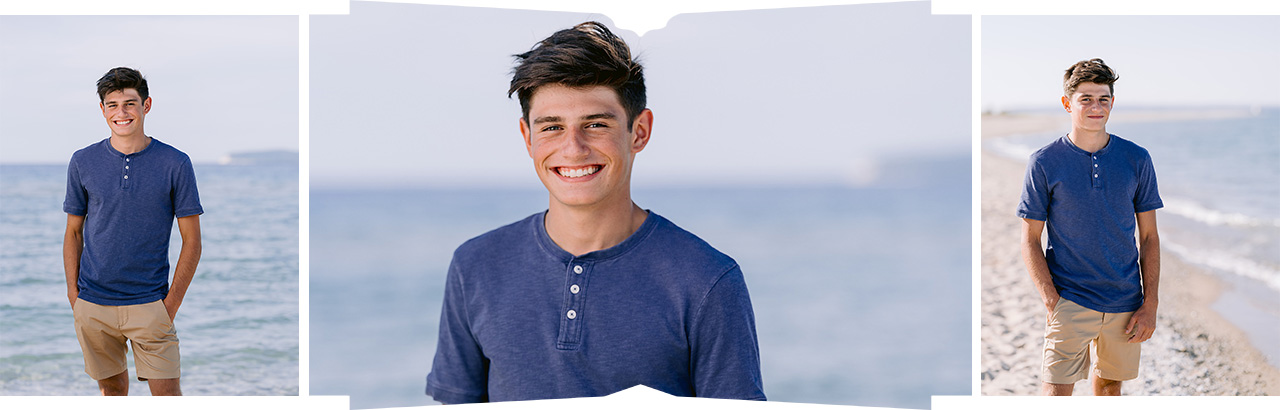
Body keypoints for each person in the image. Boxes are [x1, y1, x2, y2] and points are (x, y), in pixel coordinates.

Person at [424, 22, 765, 403]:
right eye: (552, 127)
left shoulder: (707, 280)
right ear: (527, 137)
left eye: (596, 124)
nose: (573, 149)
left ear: (639, 131)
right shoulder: (476, 265)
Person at [1017, 58, 1162, 396]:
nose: (1096, 107)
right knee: (1055, 392)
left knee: (1110, 389)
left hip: (1125, 300)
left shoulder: (1137, 159)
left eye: (1103, 99)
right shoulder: (1044, 162)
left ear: (1112, 102)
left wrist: (1150, 303)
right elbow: (1029, 239)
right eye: (1086, 99)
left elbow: (1150, 237)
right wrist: (1052, 300)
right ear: (1068, 103)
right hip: (1070, 298)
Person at [64, 67, 203, 396]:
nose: (121, 112)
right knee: (112, 394)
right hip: (93, 303)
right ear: (102, 110)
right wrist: (74, 295)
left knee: (168, 396)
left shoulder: (175, 163)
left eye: (129, 103)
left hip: (150, 305)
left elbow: (193, 241)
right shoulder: (83, 161)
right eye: (112, 105)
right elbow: (73, 232)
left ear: (146, 105)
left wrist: (170, 305)